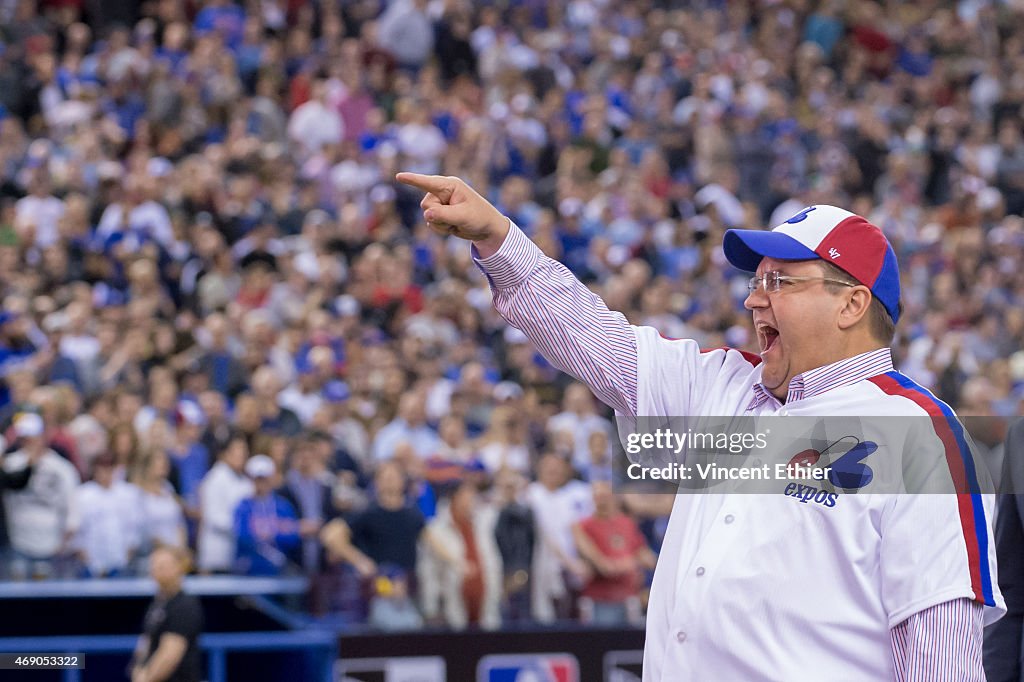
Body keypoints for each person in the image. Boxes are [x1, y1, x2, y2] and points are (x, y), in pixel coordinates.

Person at [396, 172, 1005, 680]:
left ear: (851, 304)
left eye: (779, 281)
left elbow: (939, 650)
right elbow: (592, 338)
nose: (753, 300)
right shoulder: (723, 384)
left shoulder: (920, 433)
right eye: (755, 280)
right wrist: (500, 240)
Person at [573, 481, 655, 627]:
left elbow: (646, 556)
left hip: (629, 597)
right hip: (600, 599)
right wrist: (632, 563)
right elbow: (605, 567)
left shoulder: (627, 523)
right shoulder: (583, 526)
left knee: (630, 645)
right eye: (598, 496)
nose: (602, 500)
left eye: (606, 496)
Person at [131, 545, 204, 682]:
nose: (156, 570)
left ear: (179, 567)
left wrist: (147, 678)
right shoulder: (158, 602)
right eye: (154, 565)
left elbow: (171, 652)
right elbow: (146, 641)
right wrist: (138, 669)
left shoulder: (184, 605)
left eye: (162, 565)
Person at [232, 454, 301, 576]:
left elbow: (293, 536)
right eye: (257, 479)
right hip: (249, 570)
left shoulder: (282, 506)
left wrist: (268, 530)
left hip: (279, 570)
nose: (261, 483)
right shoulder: (243, 506)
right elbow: (242, 536)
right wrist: (279, 528)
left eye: (264, 479)